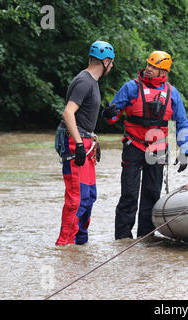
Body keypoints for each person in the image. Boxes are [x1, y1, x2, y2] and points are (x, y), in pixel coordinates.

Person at [104, 50, 188, 240]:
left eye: (154, 67)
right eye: (149, 65)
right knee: (129, 194)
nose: (149, 69)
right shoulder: (131, 87)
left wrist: (184, 150)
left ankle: (146, 237)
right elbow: (112, 117)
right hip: (133, 145)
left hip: (157, 148)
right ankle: (123, 238)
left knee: (152, 194)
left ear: (163, 72)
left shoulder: (172, 93)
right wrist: (109, 114)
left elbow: (182, 122)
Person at [55, 40, 115, 245]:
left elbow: (83, 115)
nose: (112, 66)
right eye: (112, 62)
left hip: (85, 142)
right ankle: (65, 246)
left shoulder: (92, 82)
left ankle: (80, 245)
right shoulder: (84, 81)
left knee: (89, 196)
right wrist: (80, 144)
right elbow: (68, 113)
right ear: (106, 61)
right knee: (77, 199)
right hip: (75, 144)